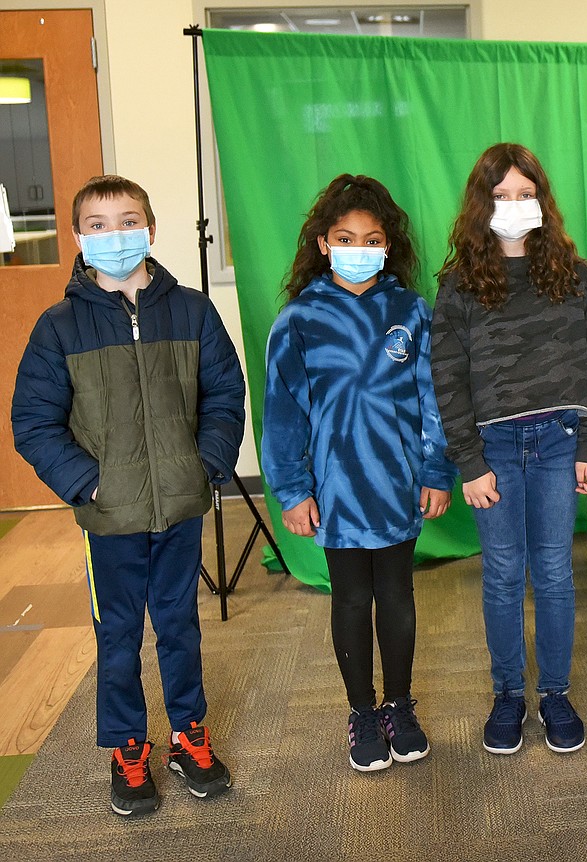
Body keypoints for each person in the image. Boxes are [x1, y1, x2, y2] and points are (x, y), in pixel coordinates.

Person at [11, 175, 245, 815]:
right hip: (108, 518)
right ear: (79, 238)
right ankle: (128, 745)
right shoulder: (58, 327)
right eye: (98, 224)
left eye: (128, 220)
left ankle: (187, 734)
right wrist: (89, 483)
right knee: (118, 635)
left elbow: (225, 395)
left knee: (179, 626)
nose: (115, 235)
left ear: (150, 227)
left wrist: (207, 466)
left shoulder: (193, 311)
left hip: (179, 506)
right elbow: (33, 421)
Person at [262, 174, 455, 772]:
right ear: (323, 243)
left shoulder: (412, 313)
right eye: (345, 237)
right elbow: (282, 414)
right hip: (336, 490)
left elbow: (435, 402)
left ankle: (400, 704)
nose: (358, 247)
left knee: (397, 593)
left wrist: (437, 470)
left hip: (396, 484)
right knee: (350, 598)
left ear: (388, 245)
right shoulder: (297, 321)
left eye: (371, 238)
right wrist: (293, 491)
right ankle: (362, 711)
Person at [431, 143, 587, 756]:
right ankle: (508, 693)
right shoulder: (458, 285)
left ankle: (554, 693)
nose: (513, 205)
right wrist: (469, 463)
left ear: (542, 200)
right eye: (500, 196)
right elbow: (446, 376)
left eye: (525, 194)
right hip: (493, 449)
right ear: (481, 206)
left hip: (560, 440)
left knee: (556, 573)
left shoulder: (574, 274)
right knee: (505, 575)